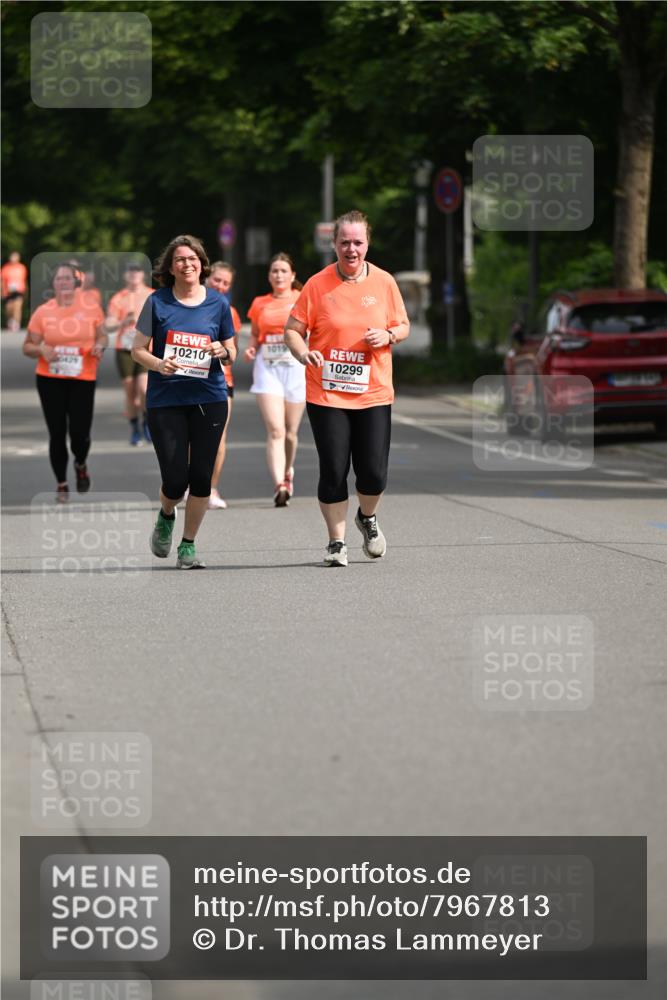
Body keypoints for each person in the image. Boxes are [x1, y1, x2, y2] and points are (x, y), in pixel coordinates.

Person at [284, 210, 409, 567]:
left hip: (373, 392)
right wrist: (302, 352)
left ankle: (367, 518)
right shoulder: (317, 284)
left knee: (372, 472)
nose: (351, 249)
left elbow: (402, 326)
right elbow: (292, 329)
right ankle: (336, 542)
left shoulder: (384, 282)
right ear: (334, 244)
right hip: (327, 393)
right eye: (344, 242)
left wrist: (387, 335)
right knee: (334, 468)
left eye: (357, 242)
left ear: (367, 243)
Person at [131, 235, 236, 569]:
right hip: (167, 400)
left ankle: (188, 545)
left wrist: (223, 351)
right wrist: (159, 364)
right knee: (176, 481)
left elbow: (231, 351)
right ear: (170, 267)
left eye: (192, 259)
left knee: (202, 477)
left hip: (210, 398)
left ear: (201, 263)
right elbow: (137, 350)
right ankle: (166, 514)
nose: (187, 264)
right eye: (180, 260)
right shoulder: (157, 302)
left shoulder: (218, 303)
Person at [22, 262, 107, 501]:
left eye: (67, 279)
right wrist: (41, 349)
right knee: (57, 432)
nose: (63, 283)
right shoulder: (43, 311)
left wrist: (100, 345)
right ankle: (61, 483)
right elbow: (26, 346)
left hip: (83, 377)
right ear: (53, 284)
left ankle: (80, 463)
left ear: (76, 282)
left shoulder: (91, 308)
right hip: (50, 379)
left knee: (80, 434)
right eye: (58, 279)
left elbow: (102, 336)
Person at [244, 253, 305, 507]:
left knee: (291, 432)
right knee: (276, 430)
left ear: (292, 276)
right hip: (267, 368)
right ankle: (279, 482)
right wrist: (250, 348)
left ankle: (288, 472)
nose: (278, 275)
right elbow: (256, 335)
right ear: (269, 276)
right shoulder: (260, 303)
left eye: (283, 271)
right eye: (274, 271)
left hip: (296, 367)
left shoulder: (303, 299)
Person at [205, 261, 241, 508]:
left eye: (226, 283)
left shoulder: (230, 312)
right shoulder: (188, 304)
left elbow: (233, 350)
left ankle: (211, 489)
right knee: (190, 437)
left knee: (218, 436)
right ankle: (188, 482)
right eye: (217, 280)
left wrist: (223, 351)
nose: (220, 286)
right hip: (189, 379)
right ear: (207, 277)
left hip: (221, 381)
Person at [105, 263, 154, 445]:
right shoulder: (119, 298)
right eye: (130, 271)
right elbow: (108, 324)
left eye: (137, 271)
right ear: (125, 275)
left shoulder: (151, 295)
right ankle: (135, 429)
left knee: (144, 389)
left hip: (145, 348)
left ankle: (147, 424)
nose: (134, 274)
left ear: (143, 274)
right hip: (124, 349)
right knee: (130, 391)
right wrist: (123, 321)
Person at [2, 251, 28, 332]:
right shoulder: (5, 268)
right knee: (9, 308)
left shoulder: (22, 268)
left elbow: (24, 279)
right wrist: (2, 291)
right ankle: (10, 321)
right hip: (8, 291)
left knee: (17, 307)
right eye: (12, 257)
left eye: (15, 257)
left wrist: (25, 290)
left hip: (19, 290)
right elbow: (2, 281)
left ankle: (16, 324)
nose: (13, 259)